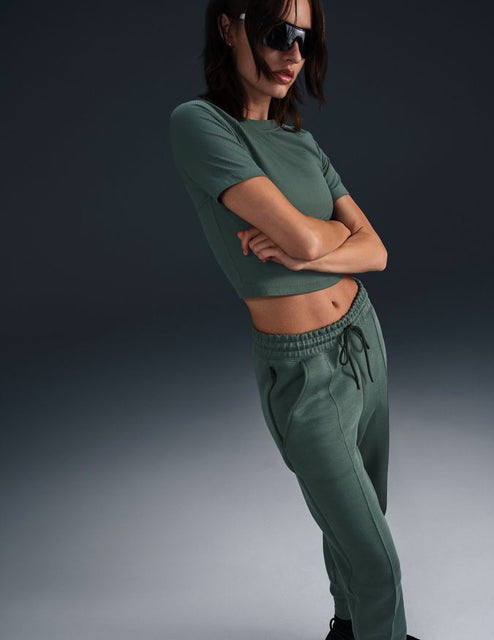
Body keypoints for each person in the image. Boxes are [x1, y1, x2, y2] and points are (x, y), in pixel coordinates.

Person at [169, 1, 419, 638]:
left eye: (305, 38)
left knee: (359, 523)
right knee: (377, 559)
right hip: (301, 370)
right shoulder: (201, 125)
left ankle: (348, 629)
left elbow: (377, 253)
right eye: (279, 33)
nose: (294, 54)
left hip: (362, 338)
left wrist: (308, 248)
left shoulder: (302, 143)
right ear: (230, 26)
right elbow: (320, 241)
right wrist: (326, 239)